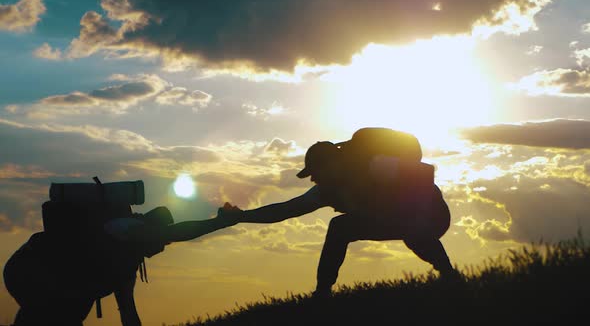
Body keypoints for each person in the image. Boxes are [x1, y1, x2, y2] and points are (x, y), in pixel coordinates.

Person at [219, 129, 456, 297]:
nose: (313, 178)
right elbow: (286, 210)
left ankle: (451, 278)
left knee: (412, 231)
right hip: (394, 217)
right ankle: (323, 293)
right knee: (340, 227)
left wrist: (414, 213)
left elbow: (424, 173)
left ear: (332, 164)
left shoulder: (376, 165)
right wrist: (242, 216)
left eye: (315, 171)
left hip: (432, 214)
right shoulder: (326, 190)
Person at [4, 205, 240, 326]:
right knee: (60, 312)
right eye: (162, 241)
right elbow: (181, 232)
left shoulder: (127, 262)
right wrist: (219, 222)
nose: (162, 247)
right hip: (32, 272)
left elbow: (127, 312)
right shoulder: (127, 229)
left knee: (63, 313)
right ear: (151, 231)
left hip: (35, 274)